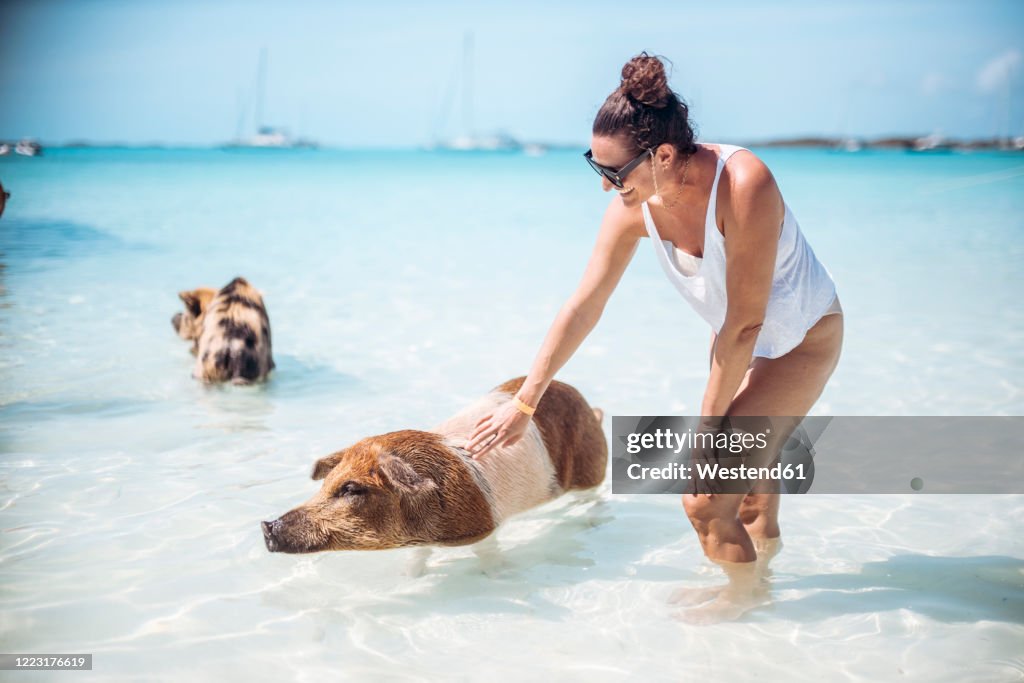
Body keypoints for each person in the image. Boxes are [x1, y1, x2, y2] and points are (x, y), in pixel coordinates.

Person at [465, 52, 844, 612]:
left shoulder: (744, 183)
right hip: (741, 348)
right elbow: (583, 306)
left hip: (801, 342)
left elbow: (743, 324)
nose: (605, 186)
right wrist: (524, 403)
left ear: (663, 154)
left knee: (705, 499)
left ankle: (741, 608)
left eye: (614, 172)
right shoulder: (632, 207)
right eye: (595, 168)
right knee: (750, 503)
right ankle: (763, 591)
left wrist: (707, 429)